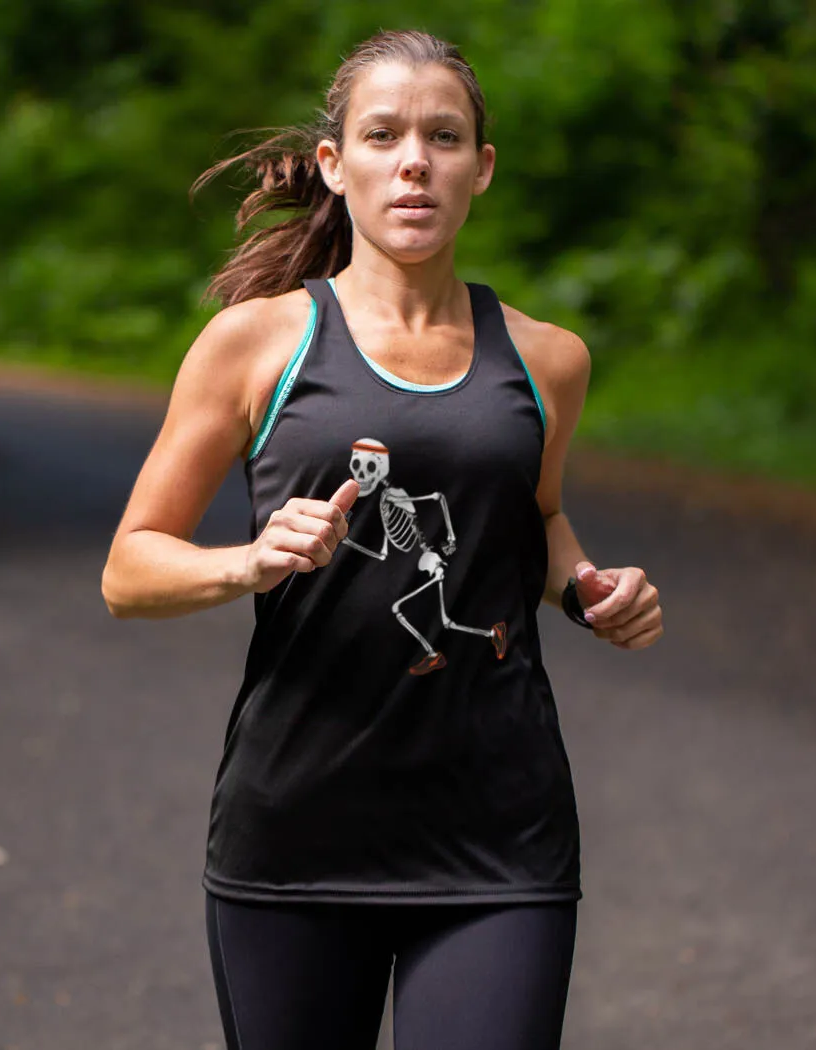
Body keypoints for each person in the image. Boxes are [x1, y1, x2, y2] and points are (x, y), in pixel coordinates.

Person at [101, 28, 662, 1050]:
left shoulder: (548, 359)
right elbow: (130, 568)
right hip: (298, 833)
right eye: (383, 135)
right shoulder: (256, 344)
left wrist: (590, 587)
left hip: (499, 834)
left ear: (480, 168)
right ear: (334, 163)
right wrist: (249, 561)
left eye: (444, 137)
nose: (415, 162)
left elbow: (534, 518)